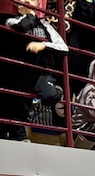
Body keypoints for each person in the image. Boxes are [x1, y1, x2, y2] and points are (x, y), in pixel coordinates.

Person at [4, 0, 68, 136]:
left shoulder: (46, 25)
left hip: (42, 72)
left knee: (50, 95)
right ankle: (19, 135)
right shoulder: (12, 20)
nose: (27, 0)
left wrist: (44, 45)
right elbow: (22, 26)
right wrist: (31, 14)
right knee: (15, 101)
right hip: (21, 71)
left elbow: (64, 48)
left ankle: (56, 90)